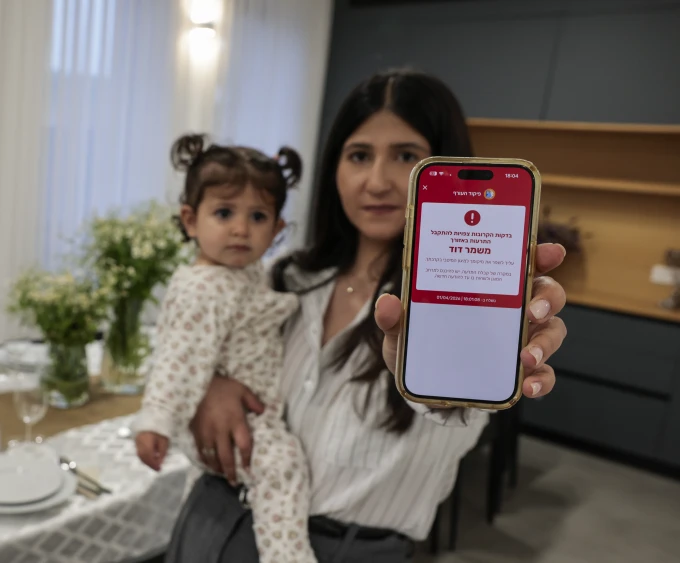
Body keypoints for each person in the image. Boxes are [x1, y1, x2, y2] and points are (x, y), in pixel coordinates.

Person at [164, 68, 569, 563]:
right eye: (359, 155)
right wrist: (211, 381)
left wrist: (477, 352)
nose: (377, 182)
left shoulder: (452, 308)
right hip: (210, 519)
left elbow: (455, 413)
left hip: (344, 551)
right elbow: (187, 332)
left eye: (406, 156)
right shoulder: (283, 276)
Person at [132, 134, 318, 562]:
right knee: (283, 466)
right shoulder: (204, 287)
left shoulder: (243, 271)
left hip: (250, 412)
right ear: (190, 220)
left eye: (258, 216)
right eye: (224, 213)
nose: (240, 229)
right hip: (242, 424)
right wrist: (157, 420)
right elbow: (178, 359)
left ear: (277, 230)